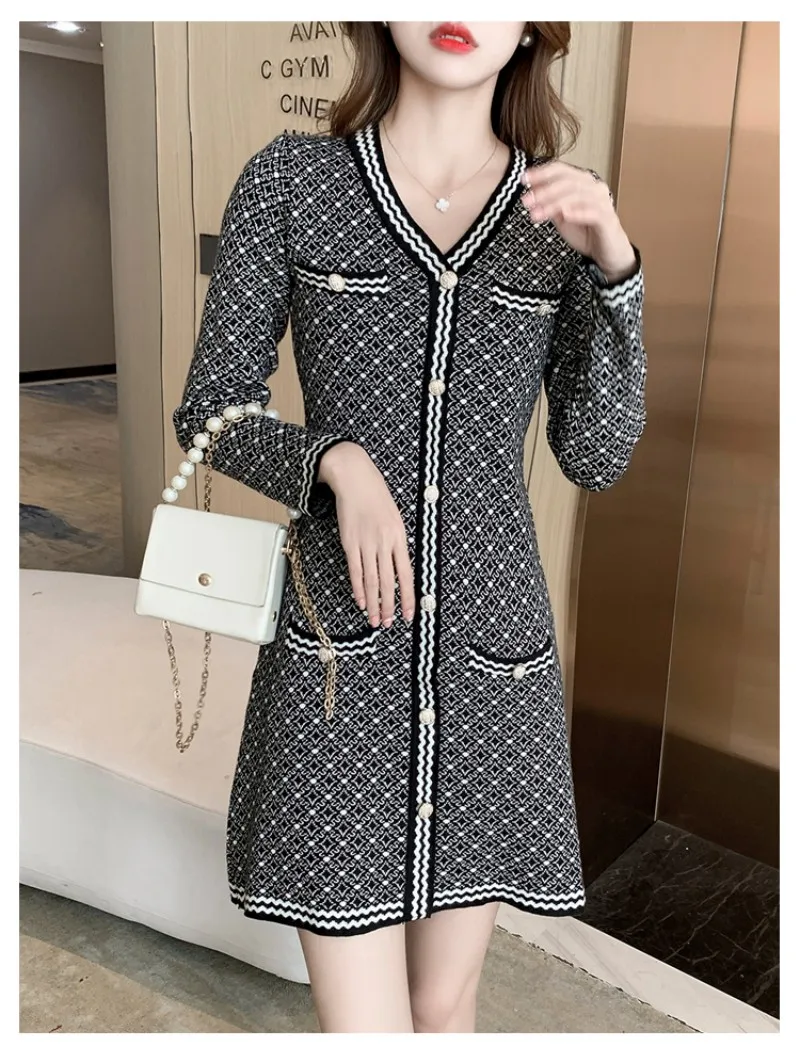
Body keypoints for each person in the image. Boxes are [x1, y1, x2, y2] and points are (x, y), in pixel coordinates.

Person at [172, 20, 646, 1034]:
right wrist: (333, 461)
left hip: (490, 669)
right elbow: (208, 411)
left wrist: (614, 270)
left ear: (532, 25)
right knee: (367, 1030)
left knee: (443, 1004)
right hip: (338, 664)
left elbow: (596, 455)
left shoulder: (556, 213)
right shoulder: (293, 181)